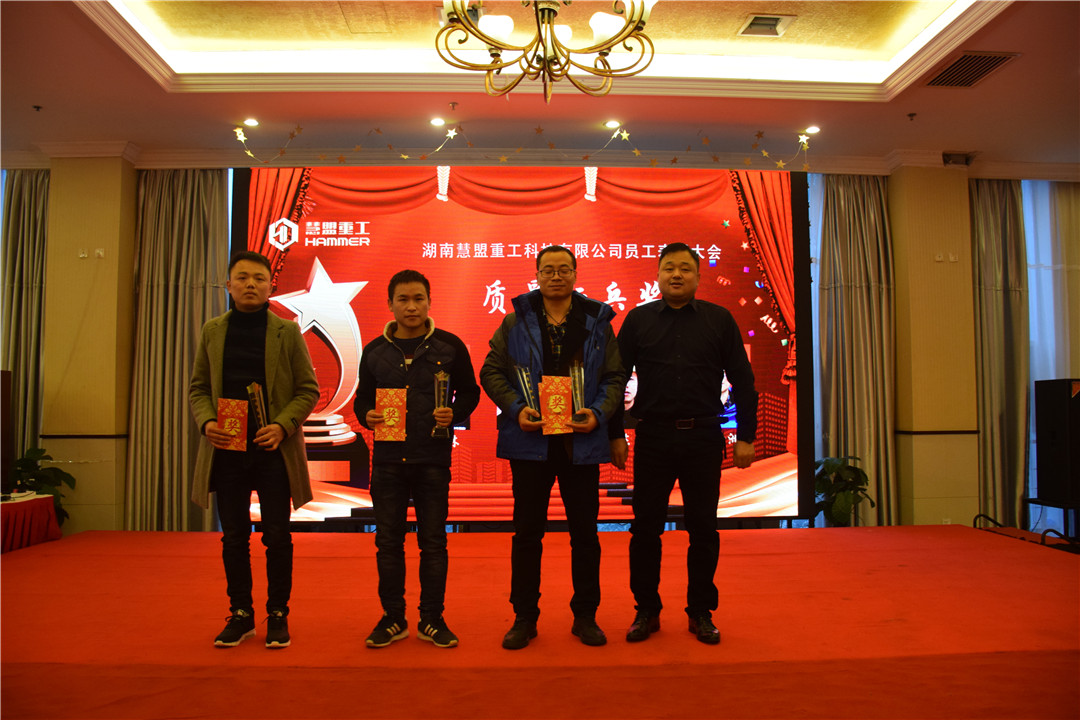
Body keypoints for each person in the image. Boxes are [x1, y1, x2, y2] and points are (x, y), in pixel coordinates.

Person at [480, 245, 625, 649]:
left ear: (576, 274)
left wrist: (598, 414)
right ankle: (524, 617)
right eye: (548, 270)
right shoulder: (516, 320)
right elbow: (491, 370)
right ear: (537, 275)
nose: (556, 276)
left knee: (585, 535)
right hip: (531, 440)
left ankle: (586, 616)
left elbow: (614, 376)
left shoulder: (597, 320)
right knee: (527, 533)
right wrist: (516, 408)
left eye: (563, 269)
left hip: (581, 442)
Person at [617, 242, 757, 645]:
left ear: (697, 276)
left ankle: (701, 612)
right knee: (645, 528)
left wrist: (746, 436)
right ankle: (646, 610)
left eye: (684, 268)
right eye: (669, 268)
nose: (676, 275)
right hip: (653, 437)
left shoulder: (719, 319)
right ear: (658, 275)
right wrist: (614, 434)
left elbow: (743, 380)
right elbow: (615, 378)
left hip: (702, 436)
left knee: (703, 528)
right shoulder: (638, 320)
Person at [189, 250, 320, 649]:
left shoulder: (287, 332)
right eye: (242, 278)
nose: (250, 284)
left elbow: (308, 390)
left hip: (273, 451)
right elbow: (198, 389)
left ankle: (278, 614)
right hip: (227, 448)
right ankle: (241, 613)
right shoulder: (213, 331)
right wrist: (207, 422)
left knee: (277, 536)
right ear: (228, 285)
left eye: (259, 279)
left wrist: (282, 426)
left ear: (270, 287)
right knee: (233, 537)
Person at [354, 269, 480, 649]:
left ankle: (431, 618)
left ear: (429, 302)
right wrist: (367, 415)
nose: (411, 307)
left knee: (433, 542)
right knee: (388, 543)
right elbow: (363, 399)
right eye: (403, 300)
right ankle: (393, 618)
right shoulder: (374, 351)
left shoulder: (449, 346)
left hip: (432, 459)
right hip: (388, 461)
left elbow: (470, 392)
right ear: (390, 304)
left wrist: (455, 414)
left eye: (418, 299)